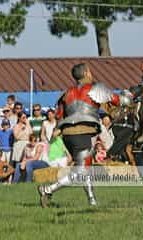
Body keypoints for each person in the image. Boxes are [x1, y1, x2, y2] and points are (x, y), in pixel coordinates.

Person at [37, 63, 120, 207]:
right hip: (84, 132)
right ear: (87, 73)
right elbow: (117, 100)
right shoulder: (96, 89)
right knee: (81, 171)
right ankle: (48, 189)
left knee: (84, 167)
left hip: (68, 135)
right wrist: (129, 96)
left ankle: (92, 200)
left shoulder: (67, 93)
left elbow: (60, 115)